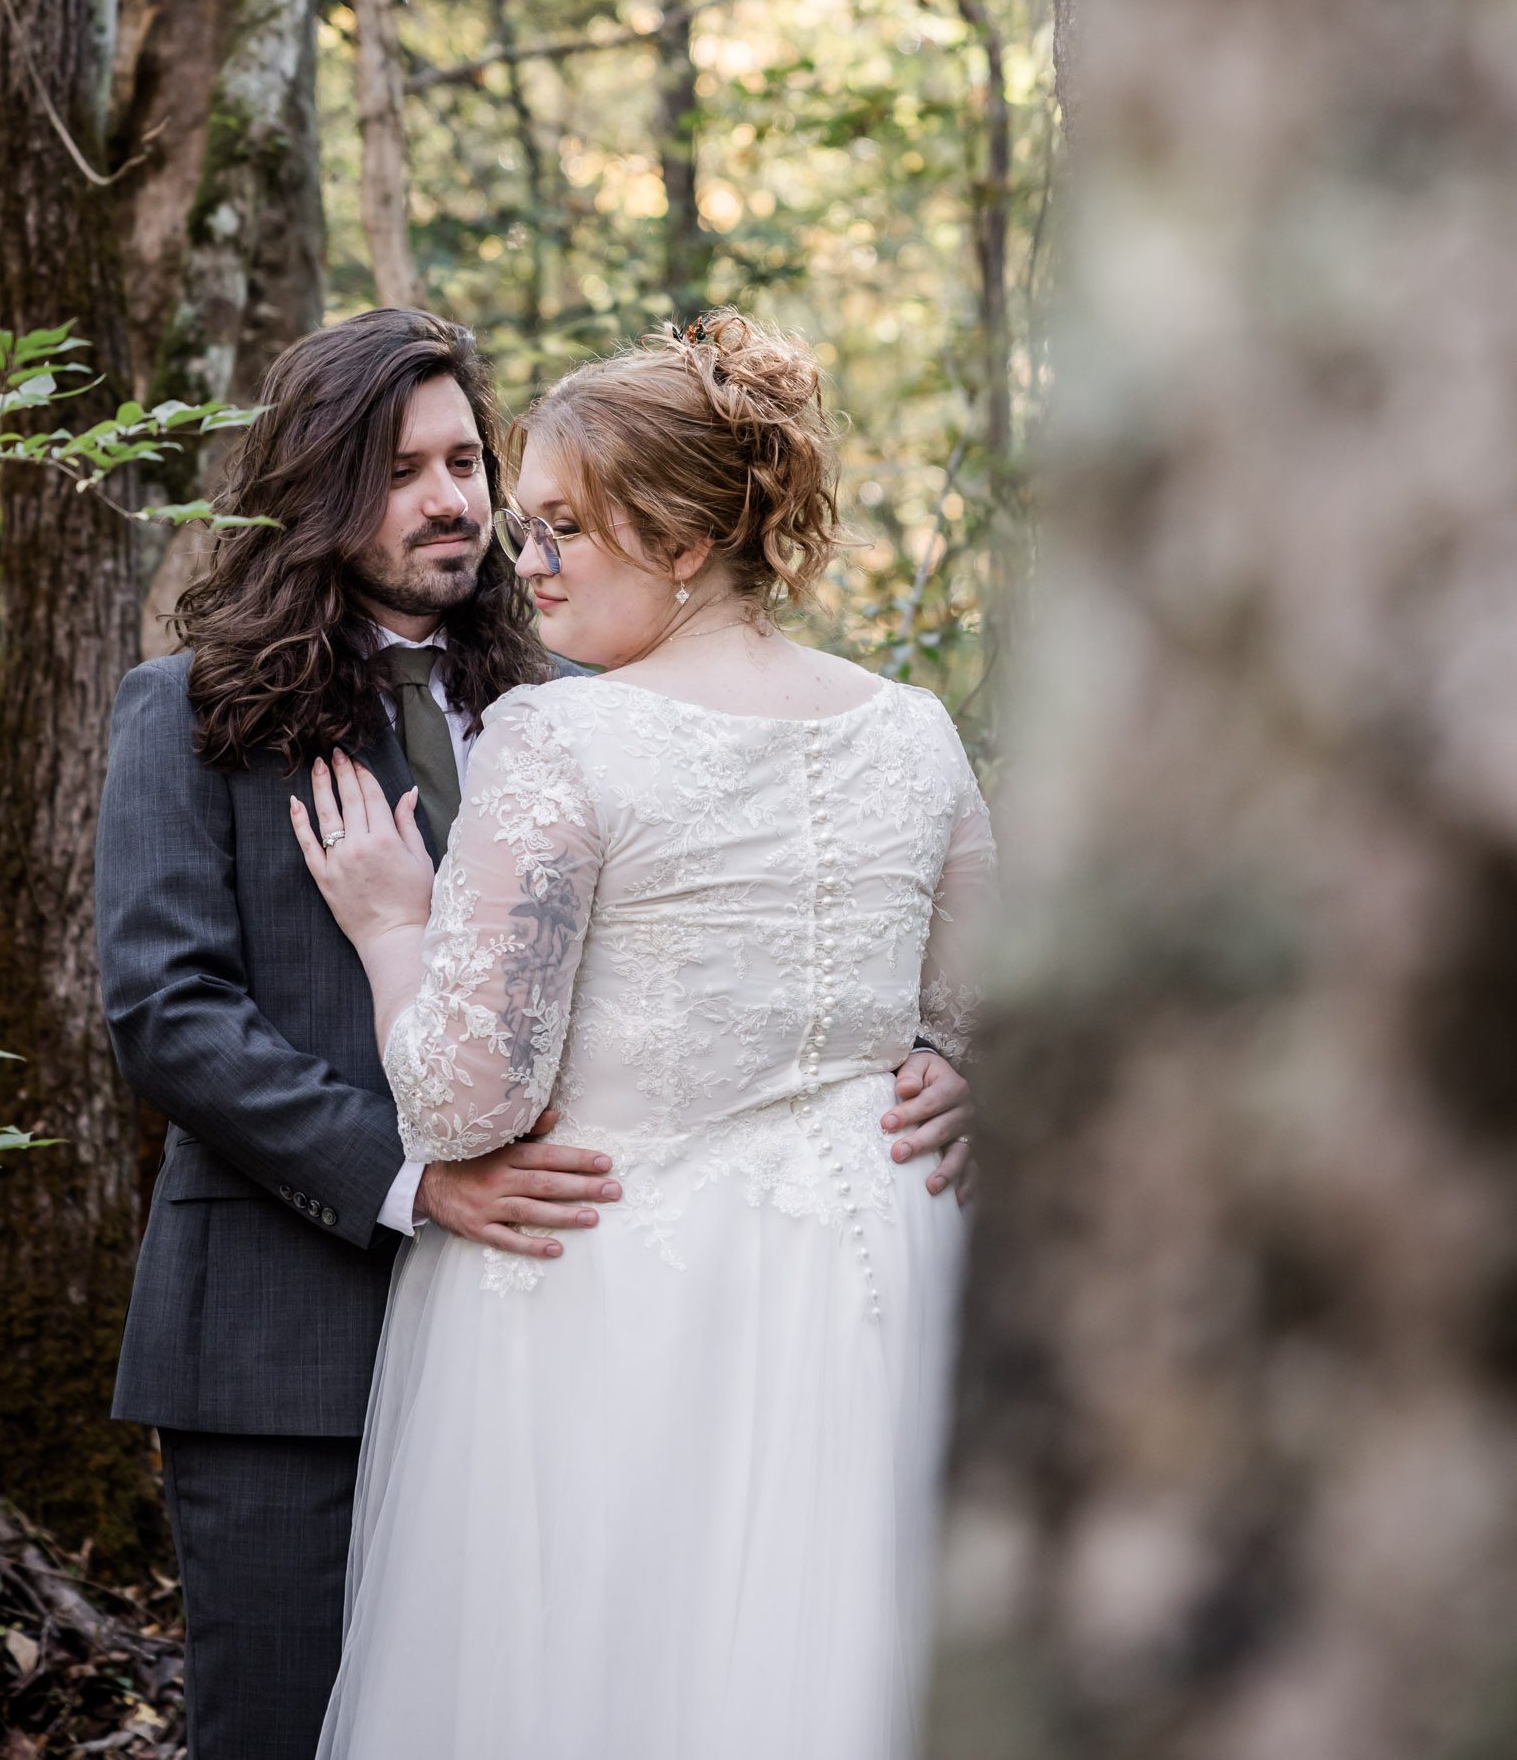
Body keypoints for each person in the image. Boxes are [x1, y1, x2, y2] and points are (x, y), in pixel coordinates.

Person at [94, 308, 974, 1760]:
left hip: (583, 1323)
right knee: (281, 1722)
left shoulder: (580, 703)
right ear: (316, 487)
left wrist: (947, 1055)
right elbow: (168, 1016)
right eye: (402, 470)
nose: (455, 502)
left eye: (465, 465)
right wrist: (417, 1178)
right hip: (288, 1326)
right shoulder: (187, 715)